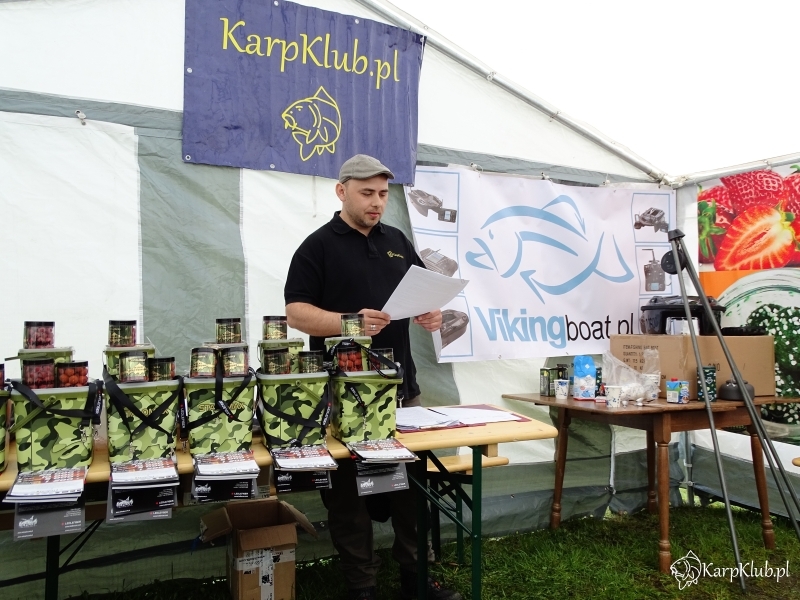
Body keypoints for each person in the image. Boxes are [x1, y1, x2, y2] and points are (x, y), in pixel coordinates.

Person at [284, 154, 461, 600]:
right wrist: (350, 323)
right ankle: (361, 588)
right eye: (367, 193)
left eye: (382, 193)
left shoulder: (397, 240)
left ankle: (416, 580)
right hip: (339, 398)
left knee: (410, 490)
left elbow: (422, 293)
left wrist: (431, 313)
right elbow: (296, 314)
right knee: (348, 498)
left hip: (400, 391)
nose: (377, 202)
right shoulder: (316, 246)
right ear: (341, 191)